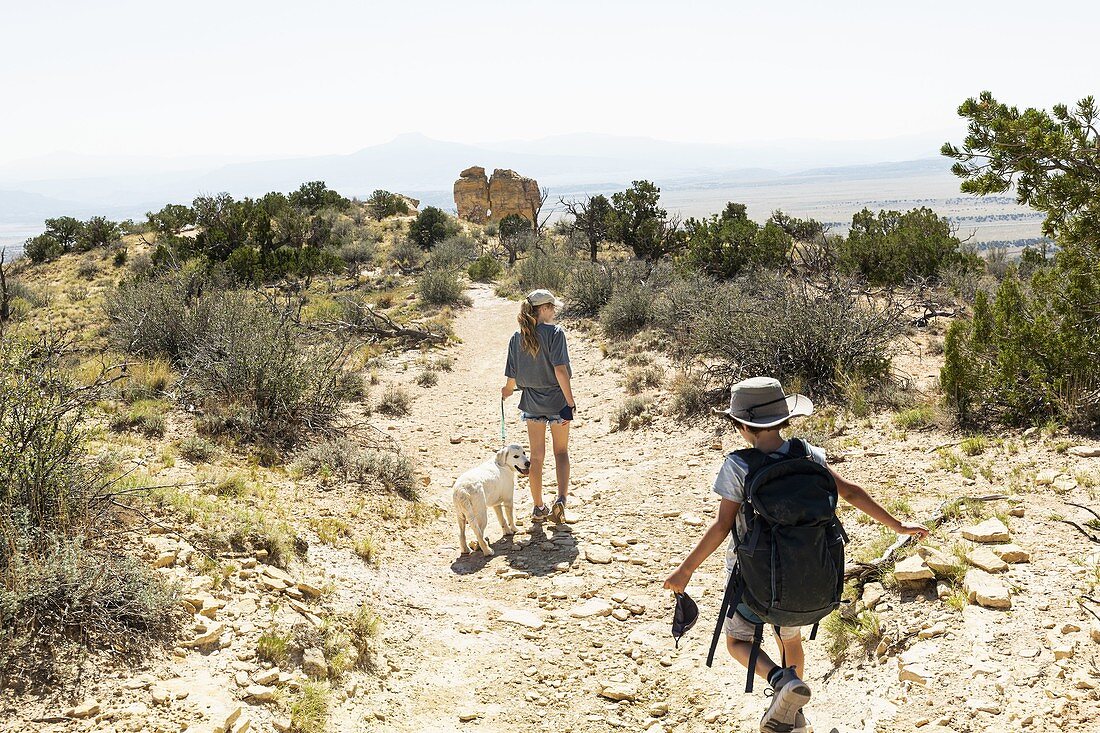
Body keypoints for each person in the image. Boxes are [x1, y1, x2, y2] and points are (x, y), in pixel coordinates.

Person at [663, 376, 929, 733]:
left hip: (751, 582)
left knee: (737, 641)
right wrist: (898, 526)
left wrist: (685, 571)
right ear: (785, 419)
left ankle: (779, 683)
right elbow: (850, 492)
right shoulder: (809, 455)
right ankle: (794, 715)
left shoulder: (738, 466)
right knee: (789, 639)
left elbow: (722, 526)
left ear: (742, 425)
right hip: (804, 575)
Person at [501, 289, 576, 524]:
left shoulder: (517, 336)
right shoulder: (555, 333)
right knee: (561, 452)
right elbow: (560, 371)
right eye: (552, 308)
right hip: (556, 401)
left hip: (532, 403)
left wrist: (506, 391)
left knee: (536, 456)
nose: (554, 312)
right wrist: (570, 403)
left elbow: (511, 381)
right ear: (543, 309)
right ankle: (561, 501)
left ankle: (538, 507)